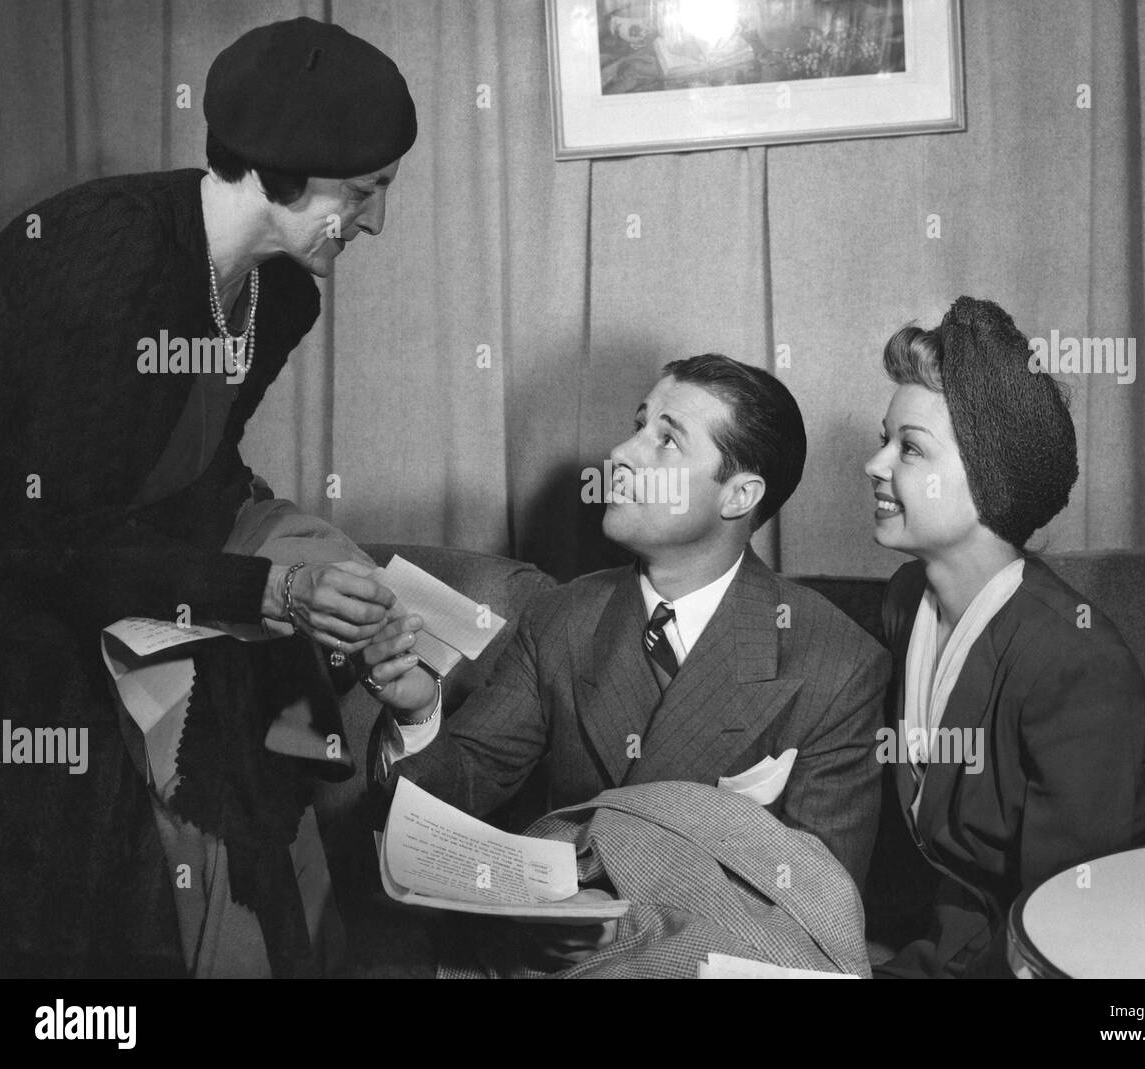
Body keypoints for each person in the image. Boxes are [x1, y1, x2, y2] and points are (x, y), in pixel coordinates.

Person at [0, 17, 421, 977]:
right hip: (14, 588)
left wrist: (294, 569)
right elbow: (38, 537)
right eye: (365, 190)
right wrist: (258, 591)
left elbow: (199, 467)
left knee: (259, 712)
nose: (377, 222)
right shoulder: (106, 258)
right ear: (282, 169)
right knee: (93, 799)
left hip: (114, 571)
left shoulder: (286, 291)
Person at [364, 354, 891, 891]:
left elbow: (820, 905)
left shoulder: (839, 663)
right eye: (639, 426)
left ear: (739, 495)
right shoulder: (562, 617)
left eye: (667, 440)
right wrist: (418, 710)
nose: (620, 454)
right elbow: (457, 795)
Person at [862, 297, 1145, 978]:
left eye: (908, 448)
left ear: (990, 481)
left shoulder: (1078, 663)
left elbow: (1070, 920)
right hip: (941, 946)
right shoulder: (906, 601)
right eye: (885, 439)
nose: (875, 465)